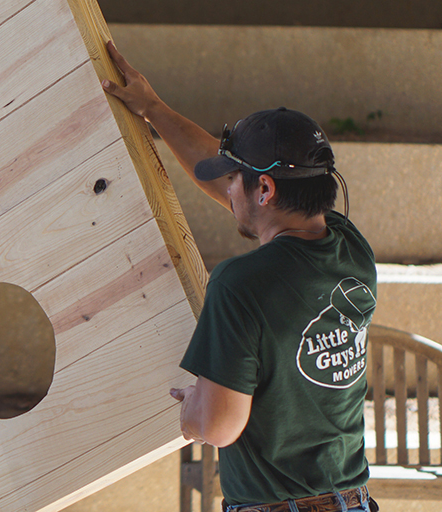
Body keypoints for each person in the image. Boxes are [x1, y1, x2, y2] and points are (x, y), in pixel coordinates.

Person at [102, 42, 378, 512]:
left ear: (265, 189)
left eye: (235, 178)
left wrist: (193, 409)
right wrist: (153, 110)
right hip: (351, 502)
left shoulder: (240, 283)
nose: (226, 189)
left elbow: (219, 427)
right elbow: (240, 193)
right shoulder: (351, 249)